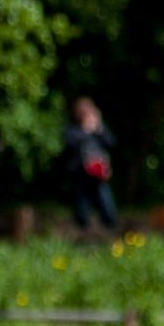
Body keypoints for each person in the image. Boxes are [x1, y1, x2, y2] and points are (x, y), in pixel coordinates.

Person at [59, 96, 118, 230]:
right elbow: (70, 145)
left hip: (99, 178)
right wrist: (85, 130)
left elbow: (112, 143)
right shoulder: (73, 131)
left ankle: (109, 232)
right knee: (82, 210)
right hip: (80, 178)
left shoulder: (99, 132)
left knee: (107, 208)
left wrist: (99, 129)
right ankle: (83, 234)